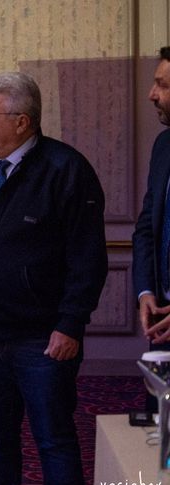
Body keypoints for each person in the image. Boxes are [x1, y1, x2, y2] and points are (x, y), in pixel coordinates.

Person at [0, 71, 107, 485]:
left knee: (53, 440)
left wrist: (70, 324)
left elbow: (88, 258)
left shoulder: (66, 169)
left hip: (42, 339)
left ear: (22, 122)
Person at [134, 47, 170, 352]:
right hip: (161, 317)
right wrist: (145, 290)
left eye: (162, 85)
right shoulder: (163, 146)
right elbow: (146, 228)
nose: (151, 94)